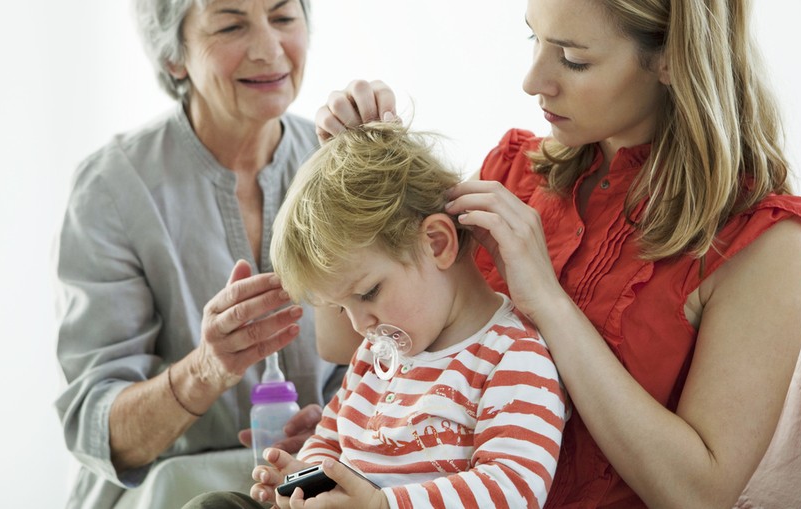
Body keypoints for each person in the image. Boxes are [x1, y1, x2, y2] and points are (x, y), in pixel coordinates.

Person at [308, 1, 801, 507]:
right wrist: (342, 178)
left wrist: (549, 304)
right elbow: (342, 343)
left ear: (672, 57)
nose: (532, 81)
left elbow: (699, 495)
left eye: (574, 58)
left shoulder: (764, 240)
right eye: (534, 38)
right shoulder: (510, 174)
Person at [184, 122, 568, 508]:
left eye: (367, 293)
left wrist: (381, 505)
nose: (359, 325)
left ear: (437, 243)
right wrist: (304, 482)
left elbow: (512, 488)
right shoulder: (376, 355)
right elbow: (330, 438)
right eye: (341, 307)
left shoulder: (512, 357)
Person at [52, 1, 344, 508]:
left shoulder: (337, 167)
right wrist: (206, 369)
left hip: (310, 487)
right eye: (231, 25)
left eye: (283, 18)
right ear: (174, 57)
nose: (269, 50)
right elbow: (98, 431)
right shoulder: (114, 189)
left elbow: (394, 360)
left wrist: (338, 427)